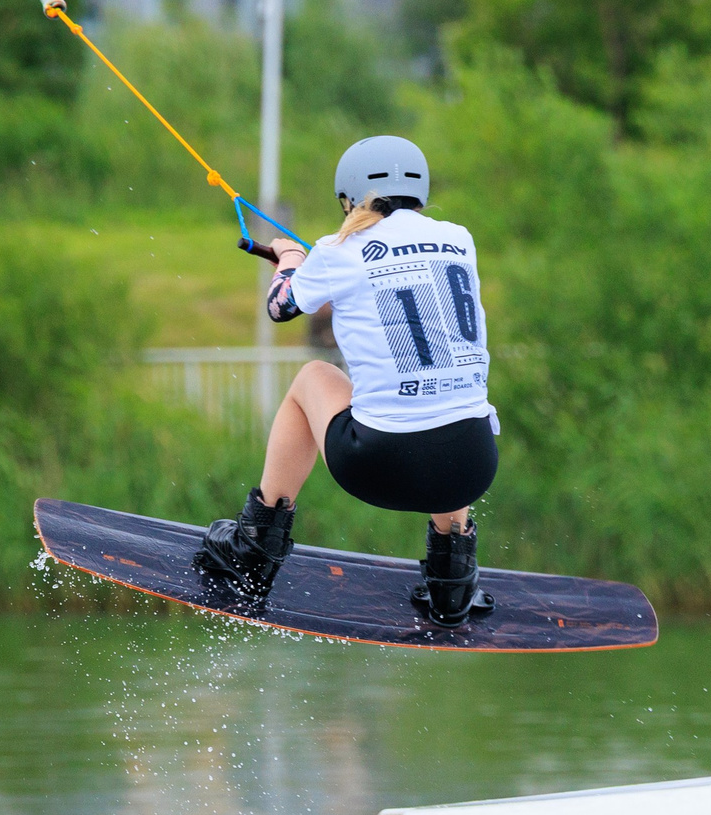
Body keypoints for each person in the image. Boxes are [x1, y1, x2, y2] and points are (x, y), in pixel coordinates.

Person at [197, 135, 499, 625]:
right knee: (449, 394)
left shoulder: (337, 250)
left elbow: (280, 307)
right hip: (472, 466)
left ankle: (255, 546)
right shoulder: (459, 240)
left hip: (378, 467)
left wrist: (290, 261)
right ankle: (452, 579)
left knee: (313, 376)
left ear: (349, 198)